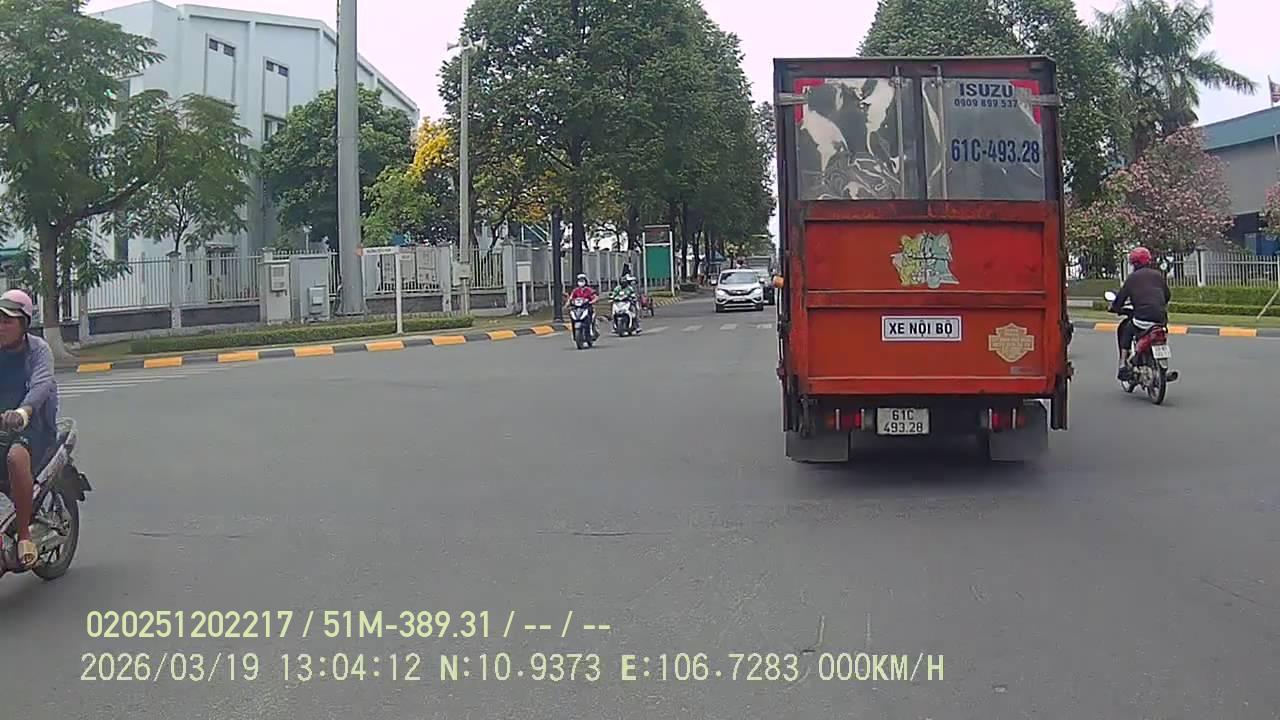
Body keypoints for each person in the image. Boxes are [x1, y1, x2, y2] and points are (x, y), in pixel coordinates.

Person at [0, 289, 58, 570]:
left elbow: (42, 384)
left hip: (33, 424)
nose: (1, 327)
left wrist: (24, 411)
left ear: (24, 323)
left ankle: (24, 536)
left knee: (15, 457)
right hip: (2, 423)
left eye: (7, 321)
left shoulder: (38, 350)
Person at [1109, 246, 1170, 381]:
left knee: (1127, 330)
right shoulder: (1158, 275)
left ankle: (1123, 364)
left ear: (1134, 263)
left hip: (1142, 318)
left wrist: (1115, 307)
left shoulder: (1132, 278)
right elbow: (1167, 295)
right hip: (1161, 319)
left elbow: (1120, 298)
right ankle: (1161, 368)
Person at [565, 273, 600, 340]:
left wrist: (592, 301)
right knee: (572, 316)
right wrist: (567, 304)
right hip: (577, 308)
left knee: (590, 317)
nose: (581, 282)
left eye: (582, 280)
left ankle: (591, 330)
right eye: (579, 280)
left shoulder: (589, 290)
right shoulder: (575, 290)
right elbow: (571, 298)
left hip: (587, 307)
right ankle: (574, 333)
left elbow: (595, 297)